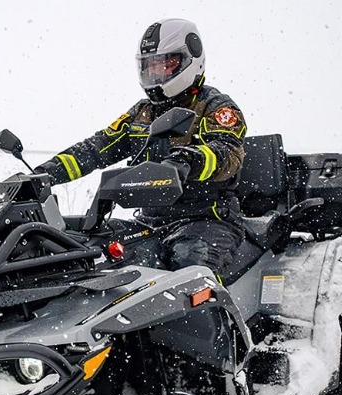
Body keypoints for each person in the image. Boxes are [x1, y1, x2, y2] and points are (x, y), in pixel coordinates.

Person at [33, 18, 248, 276]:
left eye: (165, 64)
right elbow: (96, 147)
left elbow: (227, 153)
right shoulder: (142, 113)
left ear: (192, 58)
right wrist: (42, 174)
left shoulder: (216, 107)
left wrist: (187, 161)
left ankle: (217, 315)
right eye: (151, 66)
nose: (156, 74)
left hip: (206, 220)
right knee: (89, 256)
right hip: (151, 221)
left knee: (192, 273)